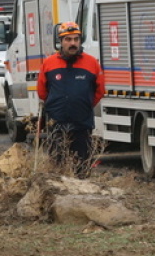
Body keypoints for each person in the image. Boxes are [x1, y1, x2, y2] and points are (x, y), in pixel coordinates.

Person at [37, 21, 105, 176]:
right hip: (56, 123)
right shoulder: (49, 63)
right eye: (68, 40)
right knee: (57, 166)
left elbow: (99, 90)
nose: (72, 43)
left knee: (82, 165)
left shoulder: (91, 63)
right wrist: (55, 106)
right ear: (61, 42)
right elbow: (42, 91)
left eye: (76, 39)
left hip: (82, 123)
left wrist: (85, 104)